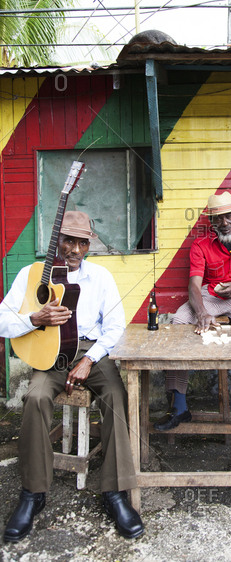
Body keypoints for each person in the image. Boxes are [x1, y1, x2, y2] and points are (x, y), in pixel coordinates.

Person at [1, 211, 144, 543]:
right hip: (50, 354)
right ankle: (33, 493)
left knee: (115, 397)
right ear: (57, 241)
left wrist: (90, 360)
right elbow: (2, 321)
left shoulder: (101, 277)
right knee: (35, 398)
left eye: (82, 242)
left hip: (90, 352)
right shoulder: (31, 274)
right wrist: (35, 318)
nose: (75, 249)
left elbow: (115, 328)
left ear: (88, 246)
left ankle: (115, 491)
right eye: (69, 240)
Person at [154, 191, 231, 446]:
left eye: (229, 216)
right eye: (218, 218)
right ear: (211, 222)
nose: (224, 222)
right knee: (178, 322)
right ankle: (180, 407)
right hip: (210, 296)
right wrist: (202, 313)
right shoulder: (200, 244)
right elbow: (194, 286)